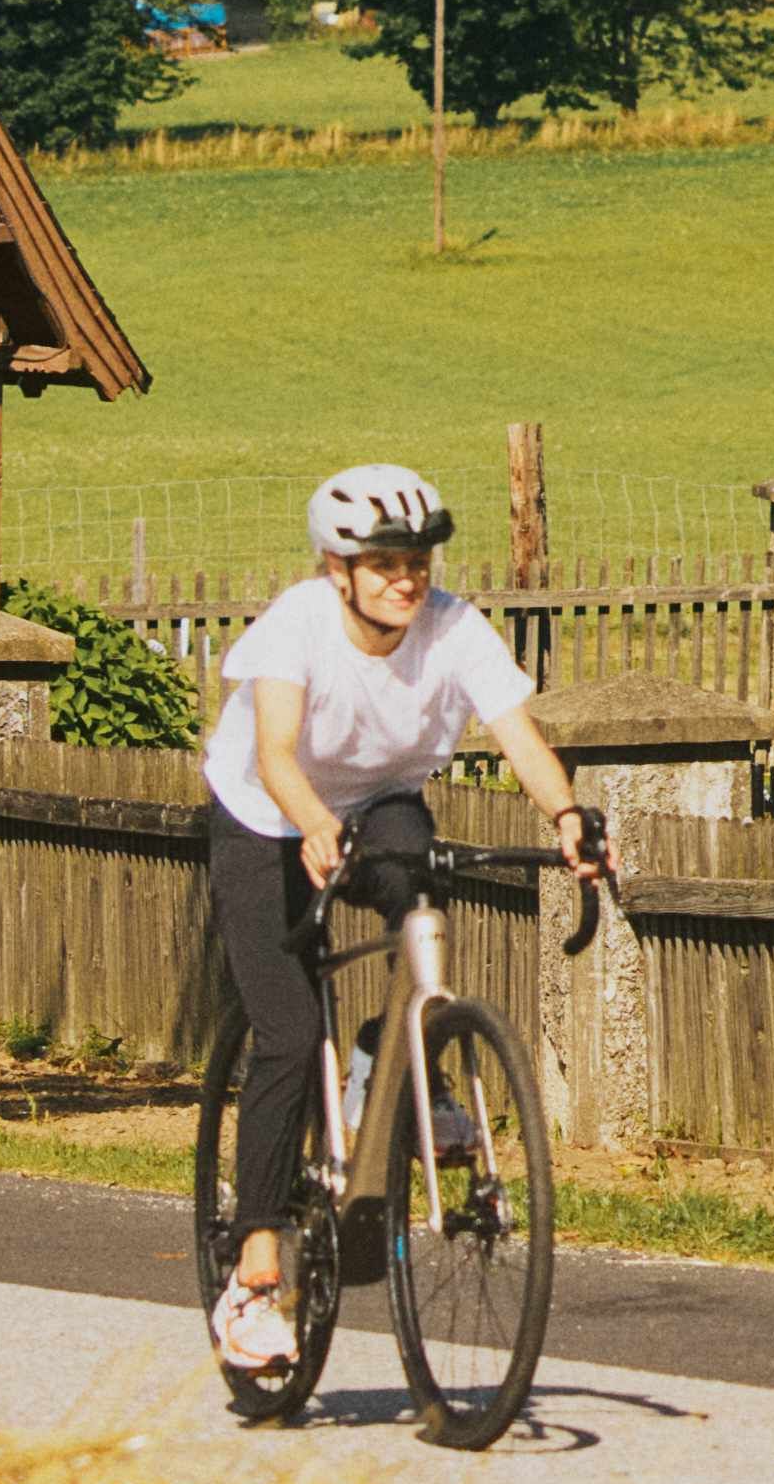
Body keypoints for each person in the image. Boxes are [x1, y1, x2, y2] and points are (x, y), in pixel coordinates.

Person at [201, 458, 603, 1379]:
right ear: (336, 570)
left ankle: (405, 1064)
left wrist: (569, 821)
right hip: (265, 816)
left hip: (381, 797)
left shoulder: (455, 628)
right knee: (290, 1031)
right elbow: (271, 753)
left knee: (419, 887)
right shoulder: (295, 625)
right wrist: (311, 828)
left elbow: (521, 741)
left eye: (417, 559)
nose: (407, 578)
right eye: (384, 563)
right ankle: (255, 1277)